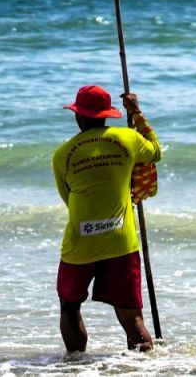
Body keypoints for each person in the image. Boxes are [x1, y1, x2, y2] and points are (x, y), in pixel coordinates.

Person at [51, 84, 162, 353]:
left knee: (70, 304)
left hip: (81, 244)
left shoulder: (63, 154)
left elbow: (68, 198)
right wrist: (136, 112)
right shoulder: (128, 139)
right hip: (121, 241)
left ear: (78, 116)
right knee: (131, 314)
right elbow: (156, 151)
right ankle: (145, 369)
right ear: (106, 115)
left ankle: (75, 366)